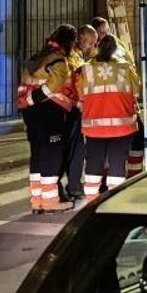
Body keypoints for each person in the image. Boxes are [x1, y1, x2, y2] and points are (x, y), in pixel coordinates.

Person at [16, 25, 78, 213]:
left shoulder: (38, 57)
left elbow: (25, 83)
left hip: (31, 113)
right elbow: (54, 85)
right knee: (53, 154)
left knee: (38, 154)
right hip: (49, 112)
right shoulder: (58, 60)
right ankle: (51, 202)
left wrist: (29, 101)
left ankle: (37, 201)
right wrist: (35, 99)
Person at [73, 35, 141, 202]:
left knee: (93, 165)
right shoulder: (126, 69)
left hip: (94, 128)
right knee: (117, 166)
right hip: (121, 127)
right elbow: (137, 92)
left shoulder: (85, 70)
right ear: (116, 50)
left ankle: (91, 203)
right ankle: (114, 204)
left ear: (98, 48)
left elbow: (80, 95)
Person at [58, 25, 97, 204]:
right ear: (81, 38)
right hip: (70, 109)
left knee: (77, 150)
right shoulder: (71, 56)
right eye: (90, 42)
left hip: (75, 108)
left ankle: (74, 185)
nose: (92, 46)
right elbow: (75, 81)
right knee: (71, 150)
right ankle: (71, 186)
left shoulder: (77, 55)